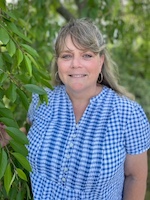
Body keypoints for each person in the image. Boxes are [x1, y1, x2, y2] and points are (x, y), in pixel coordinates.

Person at [1, 18, 150, 200]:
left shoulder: (128, 114)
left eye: (86, 55)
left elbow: (136, 177)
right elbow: (34, 135)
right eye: (67, 55)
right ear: (58, 62)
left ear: (100, 61)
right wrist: (11, 136)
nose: (75, 64)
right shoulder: (41, 99)